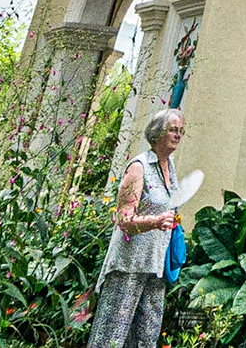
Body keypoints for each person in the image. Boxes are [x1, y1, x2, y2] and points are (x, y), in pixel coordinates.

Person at [87, 107, 185, 348]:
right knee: (111, 336)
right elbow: (124, 220)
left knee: (146, 338)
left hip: (156, 265)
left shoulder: (170, 167)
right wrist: (155, 221)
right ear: (157, 133)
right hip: (129, 264)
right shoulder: (139, 167)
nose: (178, 135)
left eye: (181, 131)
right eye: (172, 130)